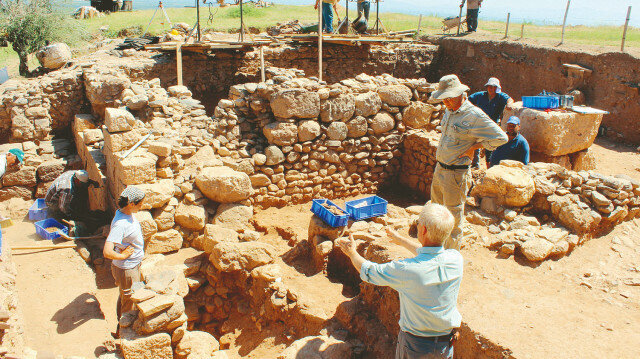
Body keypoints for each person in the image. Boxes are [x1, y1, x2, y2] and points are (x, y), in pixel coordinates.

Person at [336, 203, 463, 359]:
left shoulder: (407, 270)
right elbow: (430, 252)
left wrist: (352, 253)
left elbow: (370, 272)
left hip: (416, 346)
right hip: (445, 346)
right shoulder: (456, 259)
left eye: (419, 224)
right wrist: (400, 240)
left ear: (423, 230)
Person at [430, 74, 508, 249]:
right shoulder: (449, 111)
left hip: (455, 174)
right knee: (436, 213)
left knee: (452, 219)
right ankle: (435, 253)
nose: (447, 103)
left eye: (450, 99)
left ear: (462, 94)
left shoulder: (474, 115)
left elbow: (501, 137)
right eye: (444, 100)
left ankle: (450, 261)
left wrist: (474, 147)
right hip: (440, 169)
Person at [103, 185, 145, 336]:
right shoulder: (121, 224)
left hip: (132, 266)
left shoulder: (123, 213)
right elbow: (107, 251)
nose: (142, 206)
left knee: (125, 297)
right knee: (129, 302)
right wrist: (123, 255)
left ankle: (121, 327)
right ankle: (124, 333)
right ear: (131, 204)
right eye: (140, 204)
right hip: (127, 269)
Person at [468, 77, 514, 167]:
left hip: (492, 124)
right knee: (475, 142)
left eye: (493, 87)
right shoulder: (481, 95)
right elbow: (468, 100)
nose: (491, 89)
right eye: (489, 86)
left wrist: (509, 104)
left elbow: (510, 99)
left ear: (497, 88)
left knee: (490, 145)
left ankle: (489, 166)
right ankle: (475, 164)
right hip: (479, 123)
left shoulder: (500, 97)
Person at [44, 170, 104, 234]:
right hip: (52, 202)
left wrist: (91, 183)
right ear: (77, 181)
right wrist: (74, 217)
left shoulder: (75, 173)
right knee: (65, 214)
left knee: (79, 194)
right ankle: (61, 219)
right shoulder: (67, 189)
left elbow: (84, 180)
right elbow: (63, 208)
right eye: (82, 184)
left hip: (62, 195)